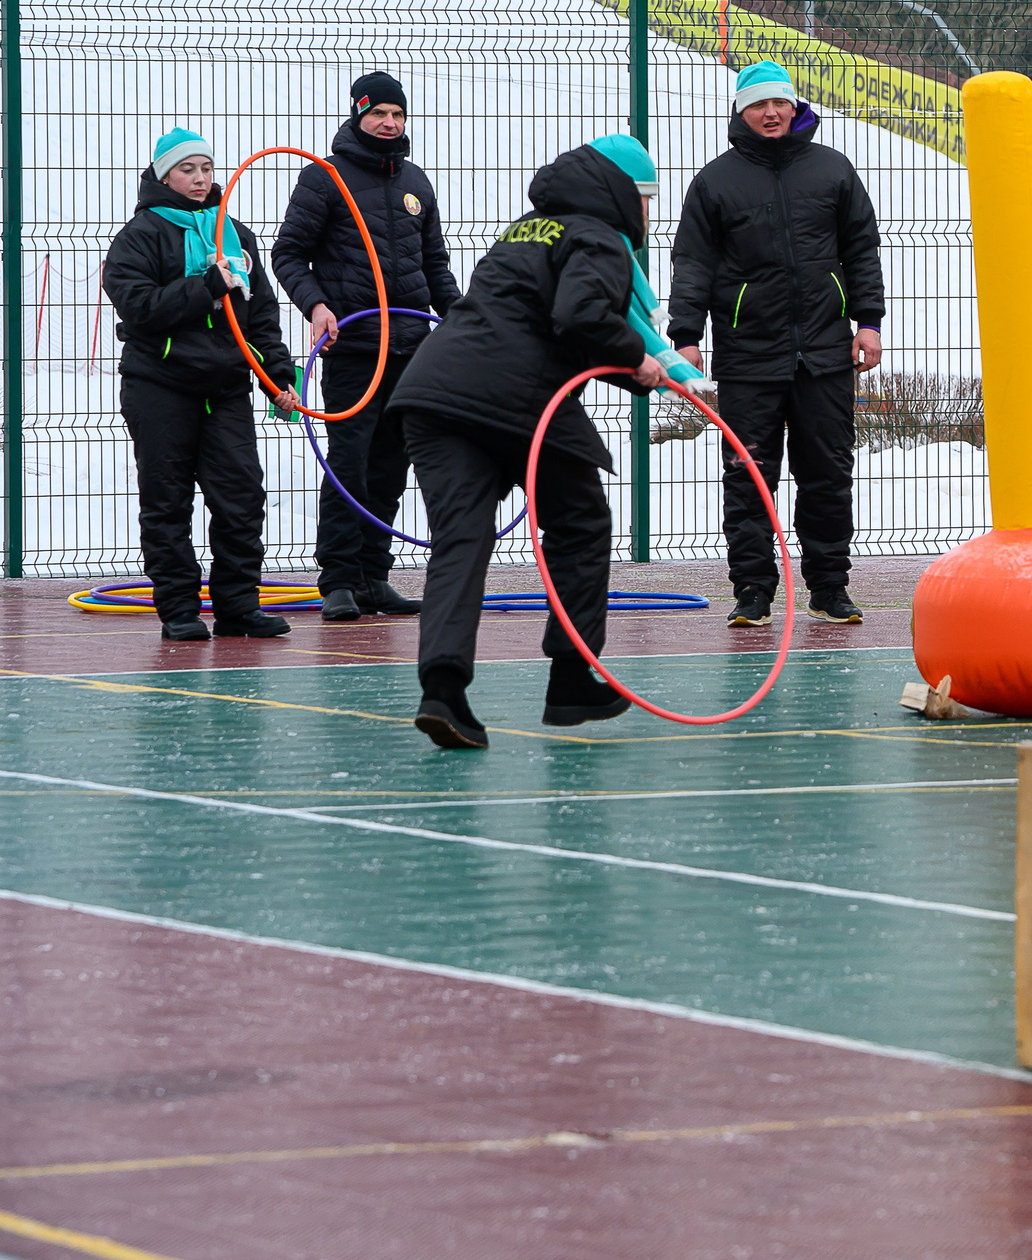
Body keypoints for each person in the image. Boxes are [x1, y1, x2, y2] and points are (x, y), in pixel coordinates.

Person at [391, 136, 670, 750]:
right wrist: (638, 361)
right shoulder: (598, 234)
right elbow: (579, 317)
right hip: (517, 400)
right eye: (645, 198)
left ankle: (443, 691)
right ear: (618, 191)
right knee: (581, 522)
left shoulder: (527, 228)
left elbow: (532, 317)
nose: (647, 213)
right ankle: (570, 680)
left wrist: (628, 369)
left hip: (436, 394)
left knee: (459, 538)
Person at [669, 61, 884, 629]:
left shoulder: (833, 170)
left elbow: (862, 250)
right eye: (758, 105)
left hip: (825, 354)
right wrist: (686, 337)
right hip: (747, 355)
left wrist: (868, 321)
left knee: (828, 472)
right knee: (749, 475)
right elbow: (692, 263)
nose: (770, 113)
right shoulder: (715, 181)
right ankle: (753, 591)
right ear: (741, 112)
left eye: (779, 103)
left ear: (795, 108)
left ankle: (830, 588)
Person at [271, 71, 459, 623]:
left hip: (409, 345)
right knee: (349, 462)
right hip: (354, 346)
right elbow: (288, 254)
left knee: (390, 464)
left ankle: (375, 578)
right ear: (358, 114)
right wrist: (317, 305)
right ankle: (338, 580)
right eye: (379, 113)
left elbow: (435, 268)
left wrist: (464, 319)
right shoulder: (324, 179)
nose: (389, 123)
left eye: (398, 115)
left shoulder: (416, 183)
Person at [102, 128, 304, 641]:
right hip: (160, 385)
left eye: (206, 169)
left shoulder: (234, 234)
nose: (199, 178)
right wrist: (206, 285)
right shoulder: (138, 236)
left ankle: (238, 608)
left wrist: (277, 376)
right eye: (187, 169)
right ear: (164, 174)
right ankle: (179, 611)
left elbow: (260, 319)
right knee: (167, 500)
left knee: (241, 498)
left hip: (226, 388)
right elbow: (140, 310)